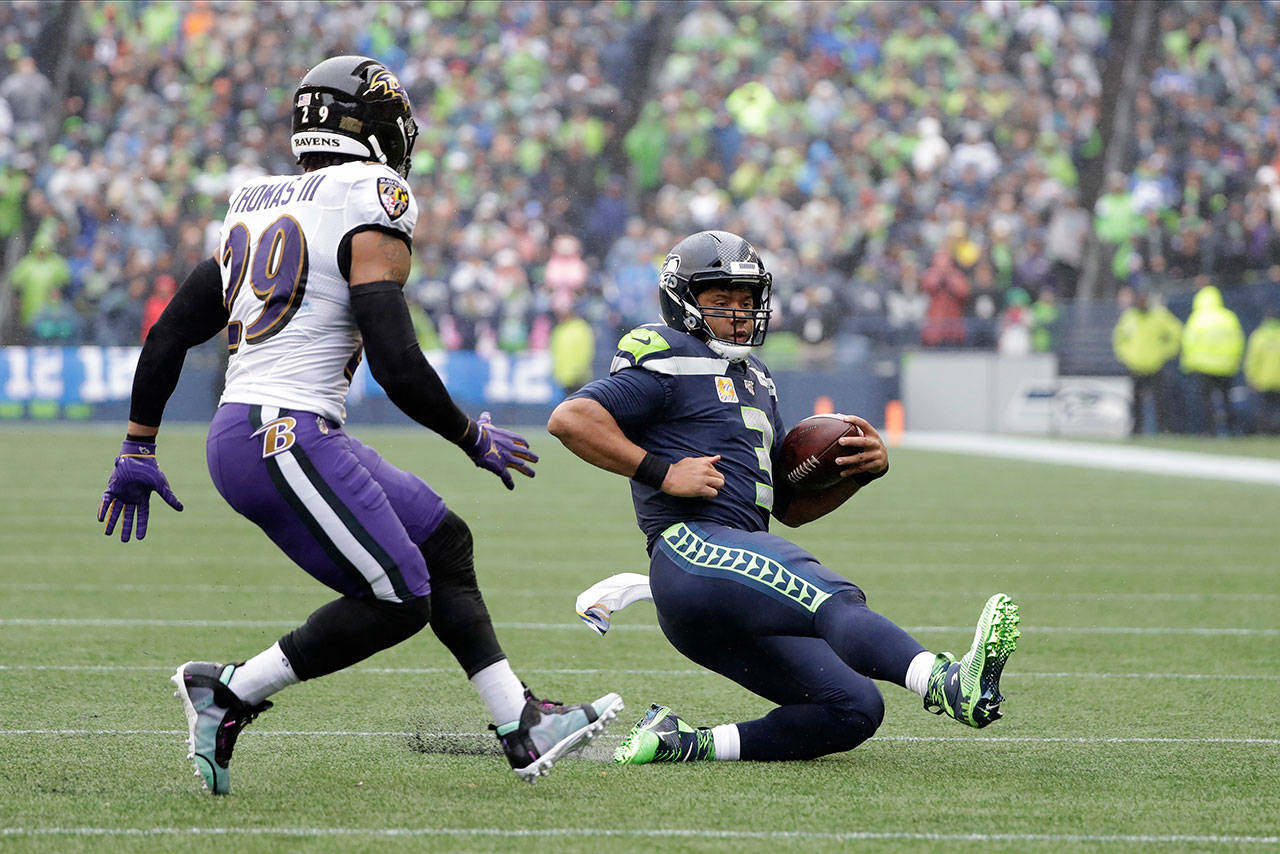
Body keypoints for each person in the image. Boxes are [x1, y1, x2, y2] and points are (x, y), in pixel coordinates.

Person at [94, 56, 620, 794]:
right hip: (282, 434)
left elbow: (169, 335)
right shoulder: (371, 195)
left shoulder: (254, 199)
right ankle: (233, 688)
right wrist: (471, 438)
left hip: (268, 431)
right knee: (403, 596)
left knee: (443, 542)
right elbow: (397, 364)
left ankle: (521, 722)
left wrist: (139, 442)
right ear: (371, 128)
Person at [547, 230, 1019, 765]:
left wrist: (856, 475)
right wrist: (663, 471)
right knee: (828, 593)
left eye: (745, 301)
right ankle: (948, 681)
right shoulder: (671, 357)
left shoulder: (759, 381)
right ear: (682, 300)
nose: (737, 313)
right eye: (720, 300)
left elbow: (788, 509)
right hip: (689, 551)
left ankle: (686, 743)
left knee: (854, 707)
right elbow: (571, 418)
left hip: (733, 573)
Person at [1112, 285, 1182, 435]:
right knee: (1136, 401)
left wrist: (1165, 352)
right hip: (1136, 366)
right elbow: (1119, 339)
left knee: (1160, 401)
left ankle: (1162, 429)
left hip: (1155, 365)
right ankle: (1136, 429)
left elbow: (1176, 333)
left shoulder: (1159, 316)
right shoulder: (1129, 317)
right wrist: (1127, 356)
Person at [1179, 280, 1245, 436]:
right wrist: (1235, 360)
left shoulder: (1197, 318)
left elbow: (1188, 342)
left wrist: (1187, 364)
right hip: (1226, 366)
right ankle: (1232, 431)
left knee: (1206, 402)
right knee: (1226, 400)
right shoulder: (1229, 318)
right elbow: (1238, 341)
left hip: (1203, 367)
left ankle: (1209, 430)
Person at [1244, 303, 1280, 434]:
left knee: (1264, 410)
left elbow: (1252, 360)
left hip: (1263, 381)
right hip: (1278, 380)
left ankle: (1265, 433)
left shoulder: (1258, 336)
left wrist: (1251, 378)